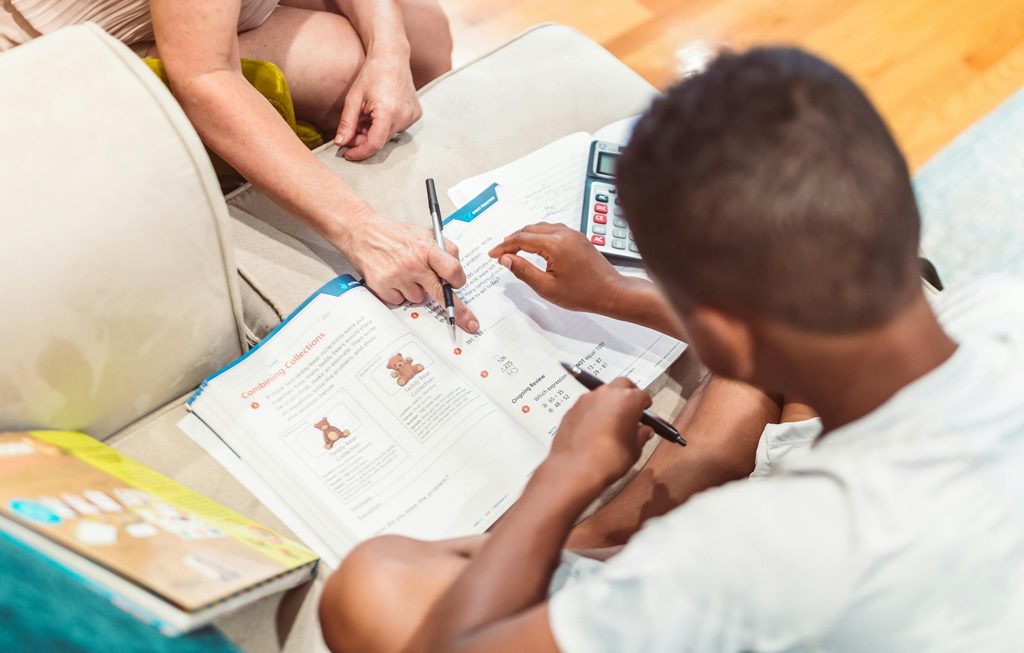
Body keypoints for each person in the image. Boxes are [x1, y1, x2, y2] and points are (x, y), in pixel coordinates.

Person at [317, 46, 1024, 652]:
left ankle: (620, 526)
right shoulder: (1002, 309)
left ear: (721, 332)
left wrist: (564, 478)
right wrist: (616, 298)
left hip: (792, 583)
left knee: (369, 586)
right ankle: (643, 513)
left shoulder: (745, 551)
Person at [0, 0, 478, 332]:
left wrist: (390, 54)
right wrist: (361, 228)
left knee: (420, 34)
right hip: (72, 51)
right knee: (341, 65)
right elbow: (205, 74)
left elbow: (406, 46)